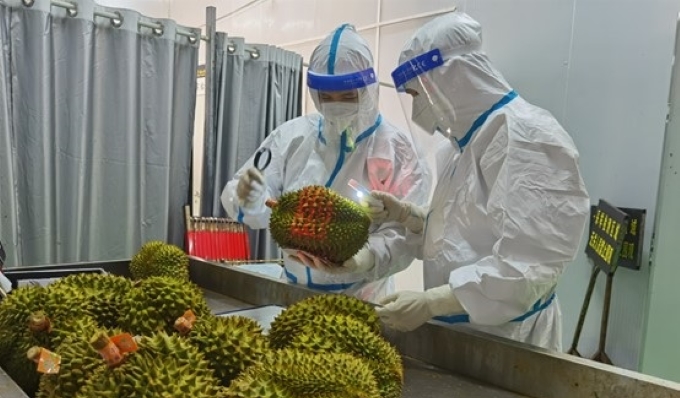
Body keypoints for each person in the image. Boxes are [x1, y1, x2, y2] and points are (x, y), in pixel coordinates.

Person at [365, 12, 590, 350]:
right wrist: (410, 216)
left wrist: (433, 302)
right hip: (463, 335)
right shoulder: (464, 147)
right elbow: (464, 234)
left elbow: (527, 267)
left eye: (415, 94)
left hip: (508, 343)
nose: (415, 109)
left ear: (451, 78)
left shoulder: (528, 139)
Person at [221, 23, 430, 302]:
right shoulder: (291, 137)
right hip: (292, 293)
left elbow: (407, 232)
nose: (336, 104)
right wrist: (247, 198)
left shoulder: (396, 150)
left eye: (347, 95)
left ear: (368, 90)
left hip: (362, 298)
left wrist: (365, 258)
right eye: (326, 97)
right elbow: (247, 192)